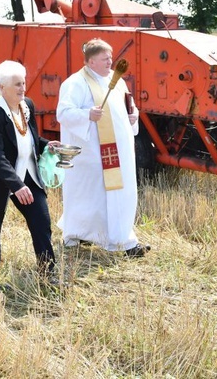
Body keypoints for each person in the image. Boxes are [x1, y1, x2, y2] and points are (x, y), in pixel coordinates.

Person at [0, 60, 61, 284]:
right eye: (16, 84)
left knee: (41, 222)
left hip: (29, 175)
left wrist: (47, 145)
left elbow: (30, 140)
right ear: (1, 88)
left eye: (23, 83)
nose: (22, 88)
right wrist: (16, 185)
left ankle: (48, 274)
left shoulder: (27, 105)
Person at [56, 38, 151, 257]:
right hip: (91, 155)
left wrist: (133, 115)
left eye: (110, 57)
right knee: (89, 195)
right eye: (104, 59)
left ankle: (121, 237)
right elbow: (63, 113)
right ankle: (80, 234)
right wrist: (86, 114)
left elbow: (130, 104)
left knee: (120, 193)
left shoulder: (116, 80)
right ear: (90, 62)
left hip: (121, 152)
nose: (110, 62)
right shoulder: (75, 83)